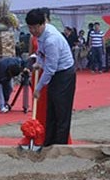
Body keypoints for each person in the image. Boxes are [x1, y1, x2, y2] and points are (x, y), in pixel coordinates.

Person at [26, 8, 76, 145]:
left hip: (64, 74)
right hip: (55, 72)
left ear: (42, 24)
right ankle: (49, 143)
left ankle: (60, 145)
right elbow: (42, 54)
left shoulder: (51, 40)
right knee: (51, 109)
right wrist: (39, 63)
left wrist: (38, 87)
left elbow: (50, 69)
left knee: (61, 111)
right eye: (30, 28)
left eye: (35, 27)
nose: (33, 31)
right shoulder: (41, 36)